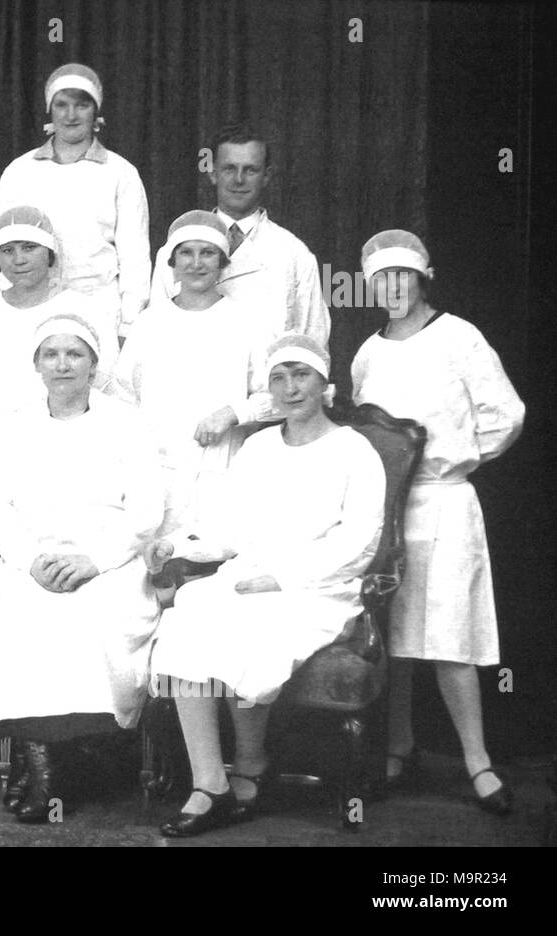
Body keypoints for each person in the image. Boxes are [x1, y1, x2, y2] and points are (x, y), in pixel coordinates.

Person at [147, 334, 386, 836]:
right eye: (278, 378)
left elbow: (361, 543)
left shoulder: (354, 450)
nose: (290, 388)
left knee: (252, 622)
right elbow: (226, 527)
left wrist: (282, 578)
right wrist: (178, 546)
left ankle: (252, 765)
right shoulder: (256, 447)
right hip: (248, 574)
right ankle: (210, 782)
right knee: (190, 610)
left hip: (319, 587)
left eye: (301, 375)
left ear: (325, 384)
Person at [351, 230, 525, 815]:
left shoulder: (459, 336)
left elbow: (506, 414)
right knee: (394, 637)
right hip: (386, 515)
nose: (392, 288)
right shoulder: (368, 353)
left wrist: (453, 460)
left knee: (449, 636)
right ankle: (400, 748)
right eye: (381, 278)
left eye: (403, 276)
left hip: (446, 504)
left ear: (423, 278)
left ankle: (477, 761)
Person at [0, 314, 165, 823]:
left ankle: (66, 761)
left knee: (92, 622)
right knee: (22, 624)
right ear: (36, 364)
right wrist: (32, 562)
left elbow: (146, 511)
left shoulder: (126, 423)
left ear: (93, 363)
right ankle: (44, 764)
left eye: (74, 354)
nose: (63, 364)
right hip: (32, 562)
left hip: (109, 562)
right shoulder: (16, 427)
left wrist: (94, 561)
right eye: (51, 354)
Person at [115, 210, 274, 532]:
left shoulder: (247, 323)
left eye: (208, 253)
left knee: (211, 557)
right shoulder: (149, 324)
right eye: (186, 252)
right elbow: (123, 398)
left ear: (223, 262)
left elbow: (279, 396)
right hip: (156, 474)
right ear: (172, 263)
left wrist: (232, 412)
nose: (197, 263)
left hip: (221, 469)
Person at [0, 64, 150, 341]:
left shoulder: (121, 173)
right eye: (62, 105)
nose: (71, 115)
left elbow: (135, 257)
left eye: (81, 105)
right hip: (28, 306)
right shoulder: (20, 171)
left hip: (98, 308)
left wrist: (129, 323)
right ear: (50, 109)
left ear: (95, 110)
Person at [0, 205, 118, 460]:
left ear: (50, 253)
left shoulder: (84, 309)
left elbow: (105, 382)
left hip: (64, 446)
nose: (18, 260)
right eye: (8, 251)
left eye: (29, 248)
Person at [150, 122, 330, 348]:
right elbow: (155, 335)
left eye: (250, 170)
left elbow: (313, 344)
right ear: (213, 173)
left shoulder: (294, 254)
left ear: (266, 176)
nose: (239, 179)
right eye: (229, 168)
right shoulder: (175, 249)